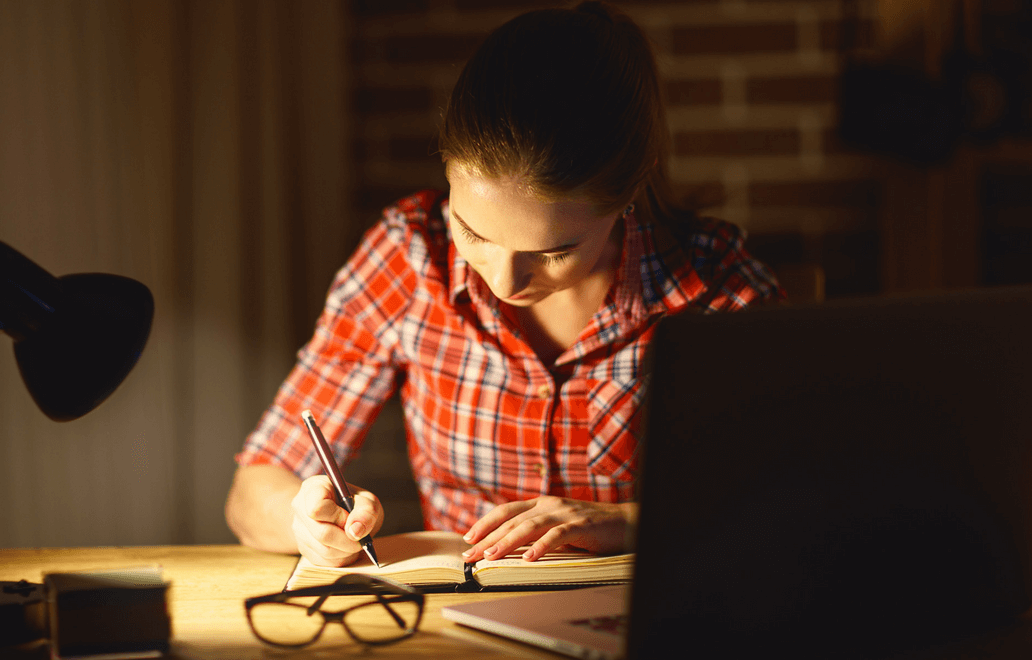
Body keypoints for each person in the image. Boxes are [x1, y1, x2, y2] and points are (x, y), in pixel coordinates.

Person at [226, 1, 784, 568]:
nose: (501, 281)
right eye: (471, 231)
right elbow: (253, 491)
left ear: (628, 195)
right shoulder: (410, 257)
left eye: (553, 251)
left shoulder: (718, 292)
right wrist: (307, 521)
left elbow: (791, 499)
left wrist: (629, 522)